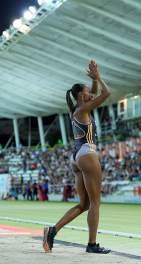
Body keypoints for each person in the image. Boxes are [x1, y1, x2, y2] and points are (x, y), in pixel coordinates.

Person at [42, 60, 111, 254]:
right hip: (88, 153)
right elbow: (106, 94)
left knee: (84, 204)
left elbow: (96, 94)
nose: (91, 93)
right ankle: (92, 245)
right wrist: (98, 77)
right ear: (81, 95)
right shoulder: (84, 110)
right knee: (95, 203)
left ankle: (52, 230)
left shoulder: (77, 110)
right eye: (88, 91)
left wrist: (94, 79)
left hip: (77, 156)